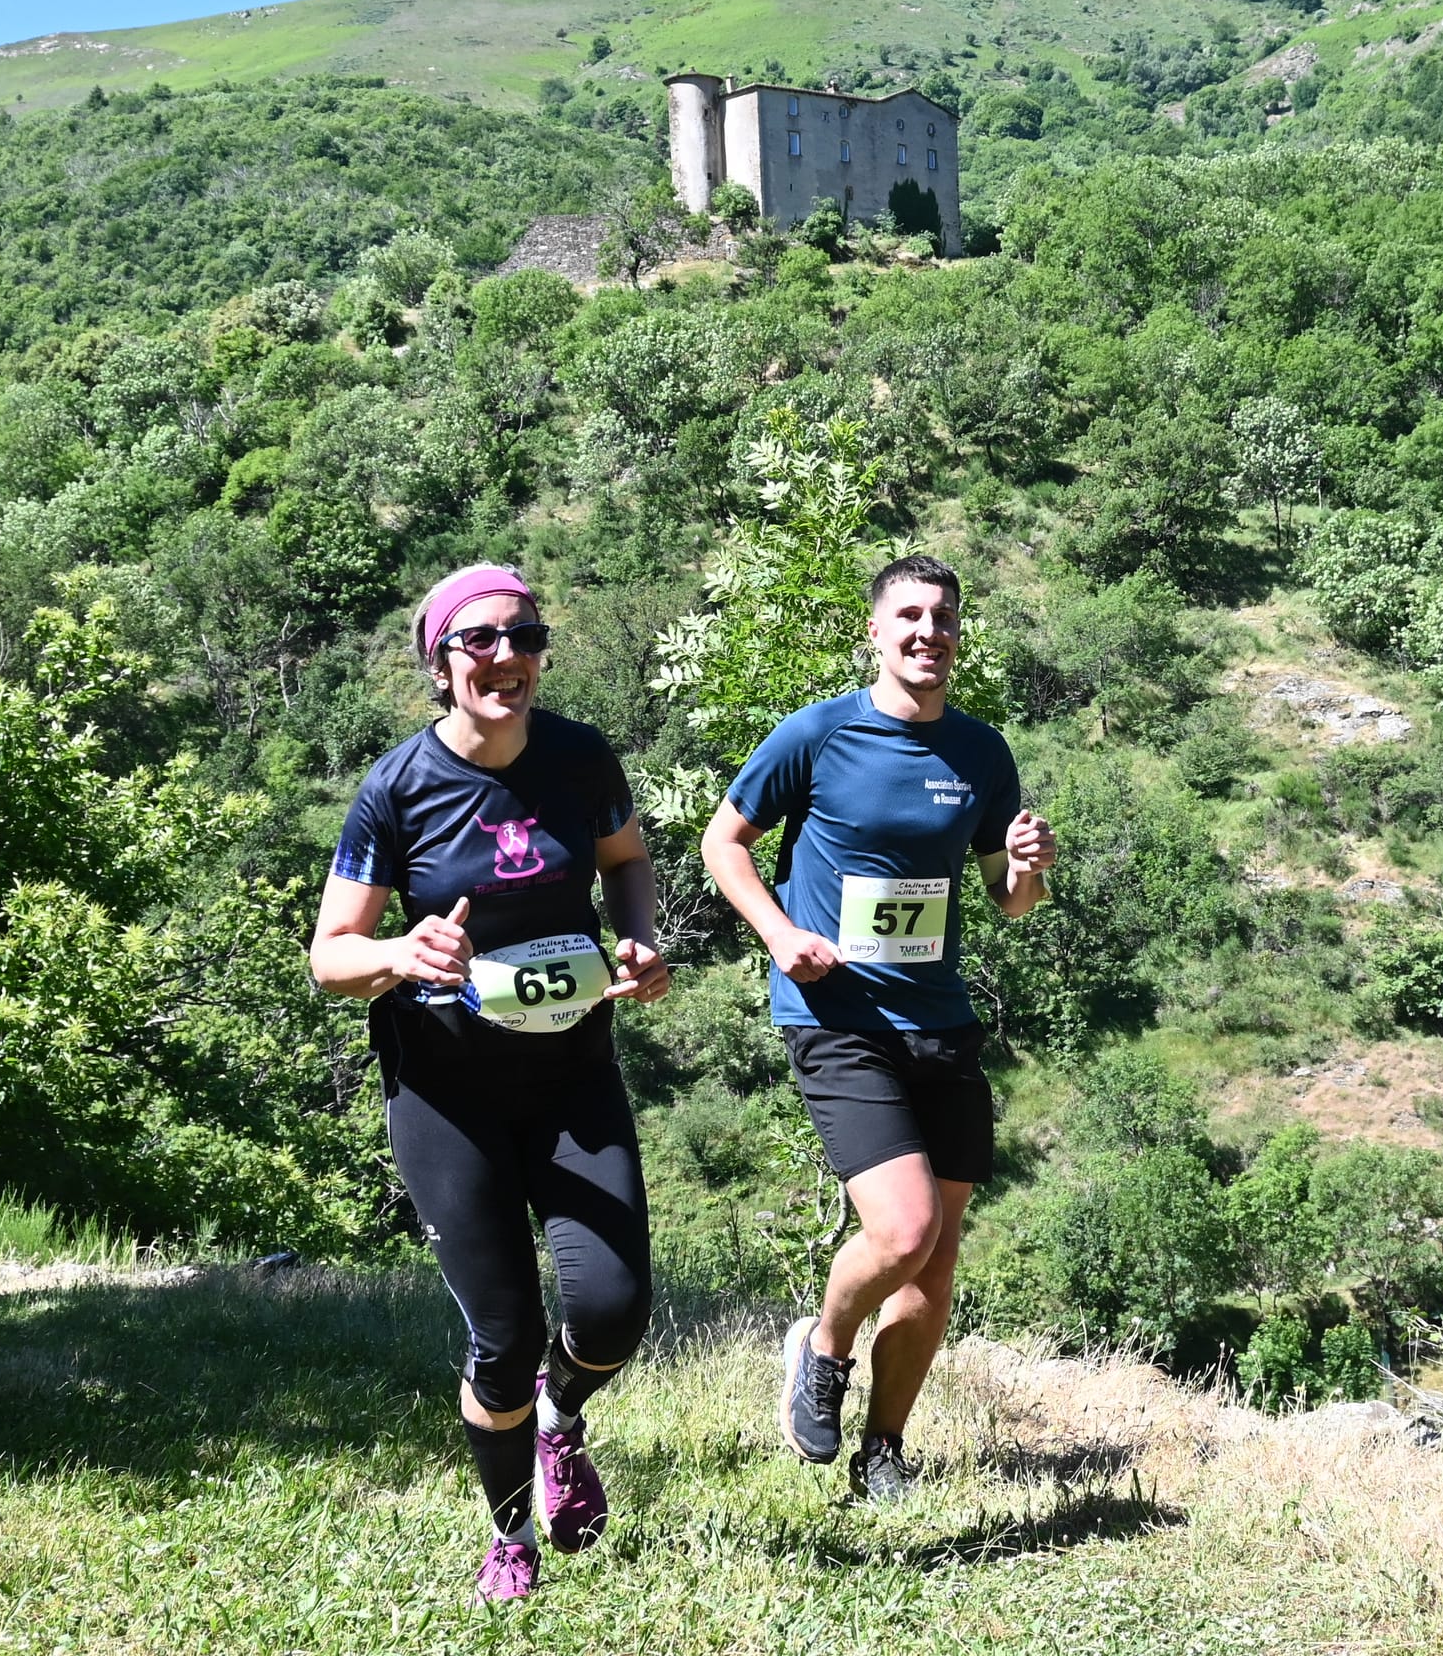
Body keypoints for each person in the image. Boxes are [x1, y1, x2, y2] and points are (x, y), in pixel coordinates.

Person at [310, 563, 669, 1602]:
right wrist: (399, 954)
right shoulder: (399, 787)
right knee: (501, 1337)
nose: (503, 656)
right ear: (440, 663)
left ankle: (562, 1418)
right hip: (447, 1095)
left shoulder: (577, 754)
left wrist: (639, 942)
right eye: (478, 641)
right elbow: (329, 954)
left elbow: (625, 855)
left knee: (611, 1307)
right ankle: (509, 1530)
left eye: (522, 636)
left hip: (571, 1073)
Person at [700, 553, 1055, 1501]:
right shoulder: (815, 736)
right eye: (909, 615)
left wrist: (1030, 865)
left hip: (940, 1022)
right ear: (876, 630)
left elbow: (1007, 900)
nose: (927, 632)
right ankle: (821, 1347)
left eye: (943, 617)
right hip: (839, 1017)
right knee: (901, 1232)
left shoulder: (981, 752)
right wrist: (780, 935)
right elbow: (720, 843)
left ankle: (883, 1452)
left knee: (933, 1269)